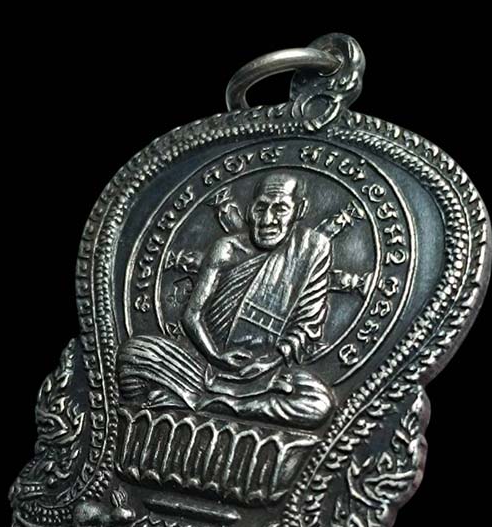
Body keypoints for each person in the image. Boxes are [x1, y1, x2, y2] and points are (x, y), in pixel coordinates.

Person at [117, 172, 335, 429]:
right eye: (261, 208)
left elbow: (306, 323)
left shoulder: (313, 249)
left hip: (265, 373)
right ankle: (216, 400)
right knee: (133, 354)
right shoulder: (227, 249)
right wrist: (216, 356)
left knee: (318, 403)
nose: (267, 220)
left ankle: (211, 404)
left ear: (300, 210)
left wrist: (268, 361)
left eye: (280, 209)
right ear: (250, 210)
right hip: (204, 366)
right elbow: (192, 315)